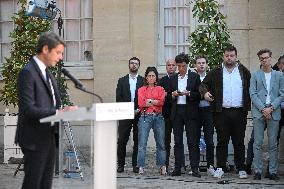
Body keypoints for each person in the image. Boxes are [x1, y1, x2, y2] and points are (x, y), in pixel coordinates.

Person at [15, 32, 78, 189]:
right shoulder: (27, 72)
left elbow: (51, 104)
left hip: (49, 137)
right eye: (58, 52)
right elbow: (28, 109)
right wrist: (58, 113)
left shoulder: (47, 72)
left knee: (45, 185)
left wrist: (63, 110)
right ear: (45, 49)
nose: (61, 57)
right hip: (34, 138)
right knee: (33, 184)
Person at [200, 45, 251, 179]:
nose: (229, 58)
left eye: (232, 56)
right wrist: (205, 93)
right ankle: (221, 167)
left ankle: (241, 168)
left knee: (239, 141)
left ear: (236, 56)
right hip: (221, 112)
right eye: (227, 56)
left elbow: (251, 88)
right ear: (224, 56)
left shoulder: (244, 71)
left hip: (240, 112)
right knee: (222, 141)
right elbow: (203, 84)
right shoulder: (216, 72)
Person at [246, 55, 284, 175]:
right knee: (257, 143)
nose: (264, 60)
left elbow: (282, 94)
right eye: (262, 58)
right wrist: (263, 109)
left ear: (271, 58)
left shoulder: (279, 75)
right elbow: (253, 93)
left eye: (266, 58)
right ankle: (257, 171)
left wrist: (271, 108)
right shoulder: (255, 75)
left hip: (274, 111)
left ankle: (272, 171)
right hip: (259, 112)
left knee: (273, 144)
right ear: (260, 60)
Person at [170, 53, 202, 177]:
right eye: (179, 66)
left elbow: (199, 95)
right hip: (177, 111)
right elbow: (168, 95)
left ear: (187, 65)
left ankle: (195, 168)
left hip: (190, 111)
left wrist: (189, 94)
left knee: (192, 141)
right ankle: (178, 167)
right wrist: (173, 94)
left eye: (183, 66)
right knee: (178, 141)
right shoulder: (173, 78)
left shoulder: (194, 77)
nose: (181, 68)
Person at [137, 66, 167, 175]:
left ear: (156, 78)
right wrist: (155, 101)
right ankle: (140, 166)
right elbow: (141, 103)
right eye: (149, 76)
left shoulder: (160, 89)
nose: (151, 78)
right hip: (145, 116)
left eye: (153, 76)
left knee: (161, 143)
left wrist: (149, 101)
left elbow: (161, 102)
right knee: (142, 143)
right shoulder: (141, 90)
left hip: (158, 117)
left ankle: (162, 166)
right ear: (146, 77)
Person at [116, 57, 144, 173]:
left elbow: (144, 97)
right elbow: (119, 98)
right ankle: (120, 164)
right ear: (129, 65)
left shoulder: (143, 81)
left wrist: (138, 109)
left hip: (139, 113)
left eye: (136, 64)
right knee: (122, 140)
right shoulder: (122, 80)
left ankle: (135, 165)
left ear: (139, 66)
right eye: (131, 63)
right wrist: (128, 110)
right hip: (125, 114)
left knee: (138, 140)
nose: (133, 65)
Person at [158, 59, 186, 172]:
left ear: (176, 67)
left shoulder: (180, 79)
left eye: (173, 65)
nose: (171, 67)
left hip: (178, 114)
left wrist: (167, 95)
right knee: (165, 141)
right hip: (165, 115)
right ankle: (165, 165)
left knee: (179, 141)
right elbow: (160, 96)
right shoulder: (162, 81)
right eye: (168, 65)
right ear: (166, 67)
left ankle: (181, 165)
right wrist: (171, 95)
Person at [194, 55, 215, 176]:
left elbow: (216, 91)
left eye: (203, 63)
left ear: (206, 64)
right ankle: (195, 166)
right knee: (195, 139)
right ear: (195, 65)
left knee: (210, 140)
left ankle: (210, 165)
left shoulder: (211, 77)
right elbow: (192, 94)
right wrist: (203, 95)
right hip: (196, 111)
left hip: (208, 111)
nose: (201, 65)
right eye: (199, 63)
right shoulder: (193, 78)